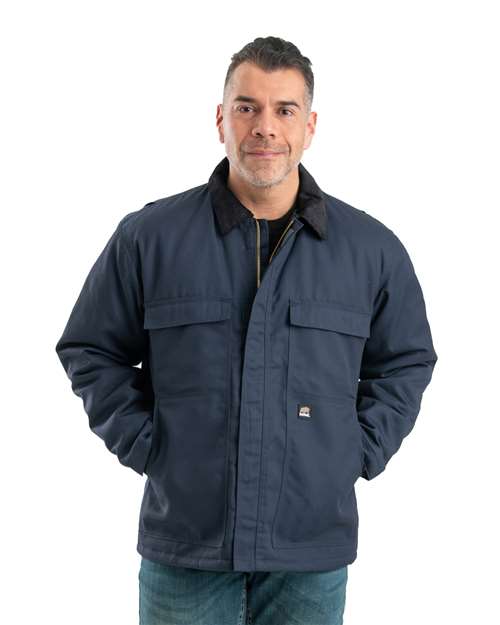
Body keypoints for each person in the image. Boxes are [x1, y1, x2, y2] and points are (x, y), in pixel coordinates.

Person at [55, 36, 438, 625]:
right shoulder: (150, 239)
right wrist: (149, 445)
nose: (265, 126)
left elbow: (406, 362)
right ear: (221, 120)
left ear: (309, 126)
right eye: (247, 107)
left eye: (284, 109)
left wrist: (354, 452)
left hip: (309, 551)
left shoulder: (371, 250)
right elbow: (90, 348)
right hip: (187, 543)